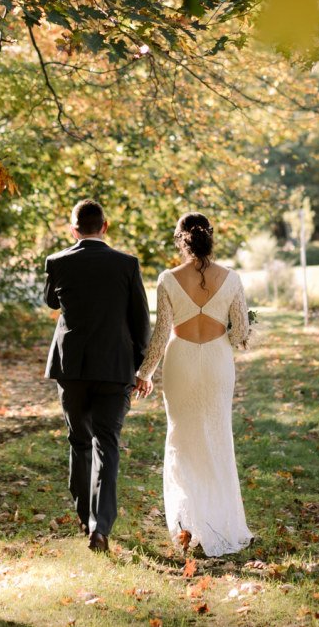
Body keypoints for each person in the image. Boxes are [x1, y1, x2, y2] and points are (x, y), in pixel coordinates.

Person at [135, 212, 253, 557]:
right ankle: (220, 521)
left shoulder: (167, 279)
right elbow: (241, 333)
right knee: (217, 436)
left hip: (181, 362)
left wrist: (143, 374)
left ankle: (189, 524)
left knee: (182, 437)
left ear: (180, 240)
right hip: (216, 361)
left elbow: (160, 335)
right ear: (209, 238)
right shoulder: (231, 279)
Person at [44, 199, 151, 552]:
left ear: (73, 229)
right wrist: (142, 368)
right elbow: (140, 320)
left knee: (79, 440)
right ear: (105, 226)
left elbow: (51, 302)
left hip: (72, 367)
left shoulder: (57, 262)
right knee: (107, 443)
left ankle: (82, 515)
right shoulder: (127, 264)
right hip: (115, 367)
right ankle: (100, 526)